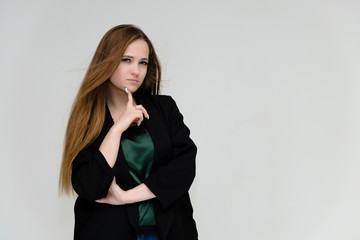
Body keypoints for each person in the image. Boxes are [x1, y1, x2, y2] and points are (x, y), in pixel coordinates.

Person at [59, 24, 198, 240]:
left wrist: (126, 197)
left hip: (170, 231)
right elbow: (91, 186)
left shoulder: (164, 108)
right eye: (127, 60)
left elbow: (184, 167)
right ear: (107, 61)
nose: (136, 70)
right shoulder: (87, 119)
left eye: (143, 62)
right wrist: (116, 129)